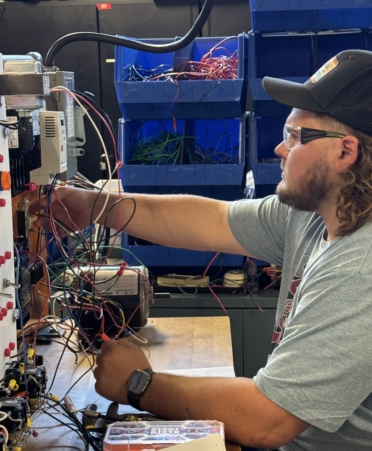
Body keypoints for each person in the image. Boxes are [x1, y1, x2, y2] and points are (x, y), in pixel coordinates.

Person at [30, 49, 372, 450]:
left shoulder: (359, 266)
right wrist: (97, 205)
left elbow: (267, 420)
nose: (280, 150)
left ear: (345, 152)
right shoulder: (315, 214)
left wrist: (139, 384)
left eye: (293, 137)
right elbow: (211, 219)